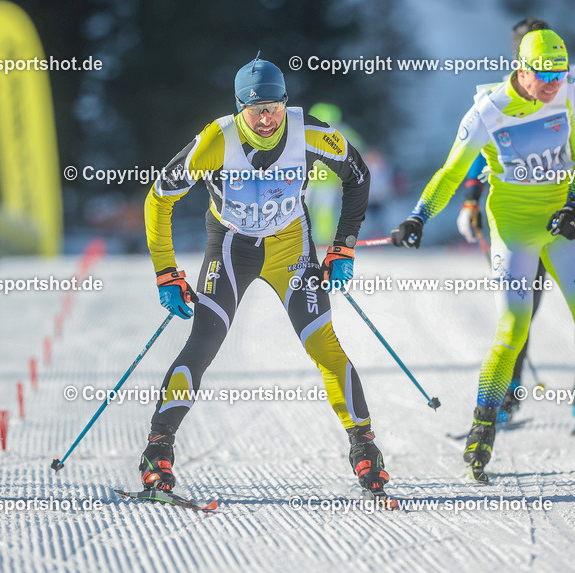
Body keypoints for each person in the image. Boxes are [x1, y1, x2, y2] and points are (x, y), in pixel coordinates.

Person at [391, 29, 575, 482]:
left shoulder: (570, 95)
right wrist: (418, 216)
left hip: (562, 222)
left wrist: (574, 203)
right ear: (521, 69)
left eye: (558, 73)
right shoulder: (487, 110)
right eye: (543, 74)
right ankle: (482, 429)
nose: (552, 83)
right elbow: (450, 171)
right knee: (512, 327)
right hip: (513, 226)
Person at [140, 56, 391, 497]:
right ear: (239, 107)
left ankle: (364, 447)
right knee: (204, 343)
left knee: (324, 344)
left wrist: (343, 246)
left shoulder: (310, 132)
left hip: (290, 246)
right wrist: (166, 272)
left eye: (273, 107)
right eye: (255, 110)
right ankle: (158, 450)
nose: (266, 118)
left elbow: (357, 176)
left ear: (285, 102)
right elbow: (159, 198)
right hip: (232, 248)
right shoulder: (215, 141)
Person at [456, 18, 575, 430]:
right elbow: (484, 151)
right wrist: (472, 198)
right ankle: (509, 393)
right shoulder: (506, 97)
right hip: (526, 206)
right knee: (523, 305)